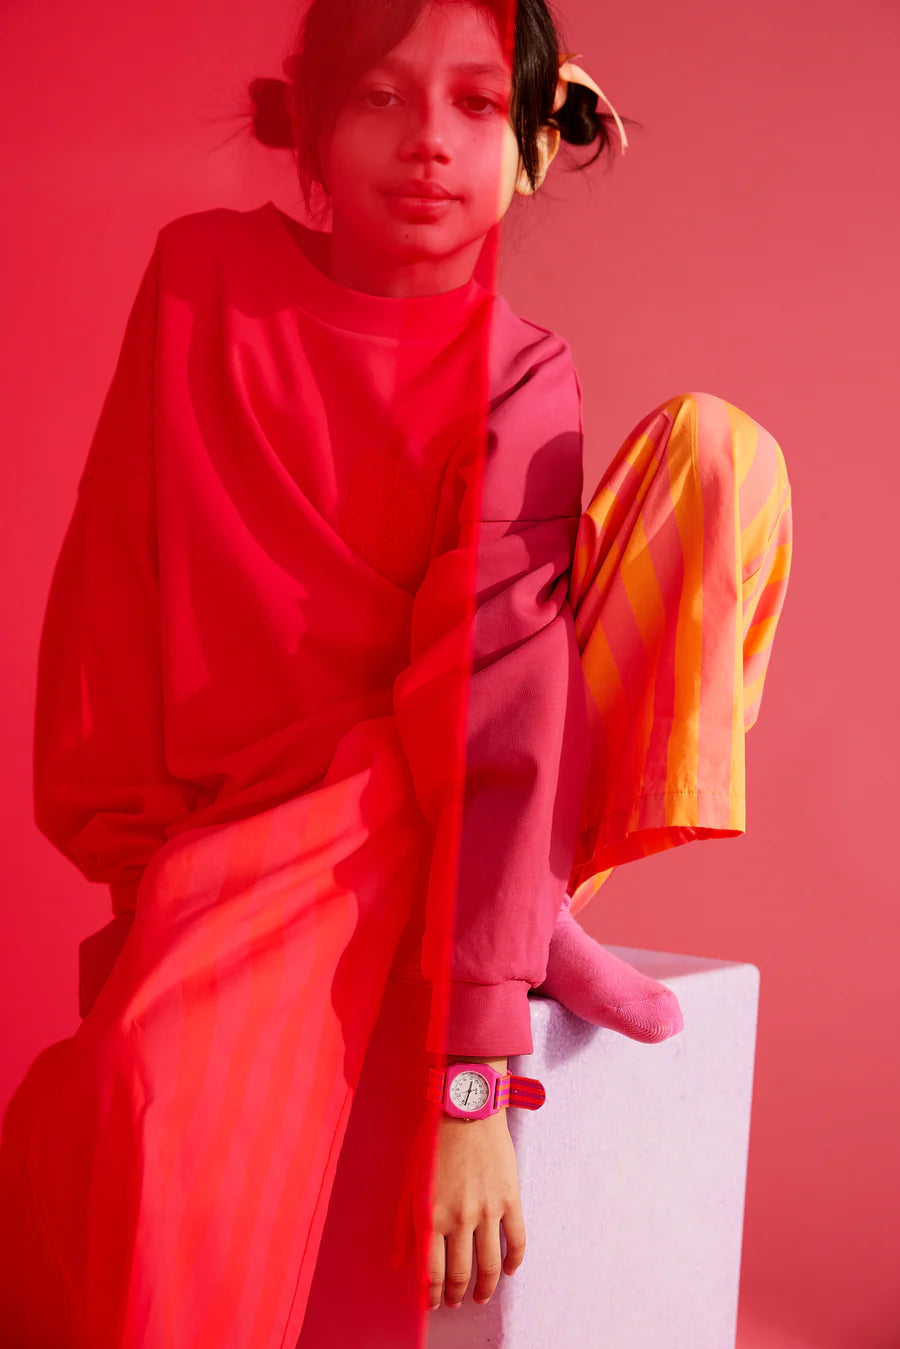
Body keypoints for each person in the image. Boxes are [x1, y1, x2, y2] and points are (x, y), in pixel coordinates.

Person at [0, 0, 793, 1344]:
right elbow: (113, 583)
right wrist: (139, 890)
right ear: (309, 129)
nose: (427, 141)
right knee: (136, 1103)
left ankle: (526, 904)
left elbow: (505, 685)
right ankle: (519, 916)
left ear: (533, 148)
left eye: (476, 105)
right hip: (259, 839)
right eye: (380, 97)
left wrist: (472, 1076)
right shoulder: (202, 280)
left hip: (471, 791)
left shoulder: (522, 372)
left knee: (719, 456)